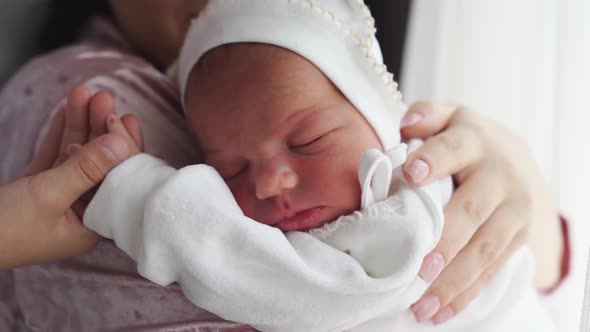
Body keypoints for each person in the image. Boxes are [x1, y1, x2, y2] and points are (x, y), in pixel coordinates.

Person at [0, 0, 568, 331]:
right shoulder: (87, 95)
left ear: (382, 121)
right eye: (227, 172)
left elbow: (259, 275)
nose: (269, 181)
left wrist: (135, 198)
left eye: (309, 138)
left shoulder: (408, 205)